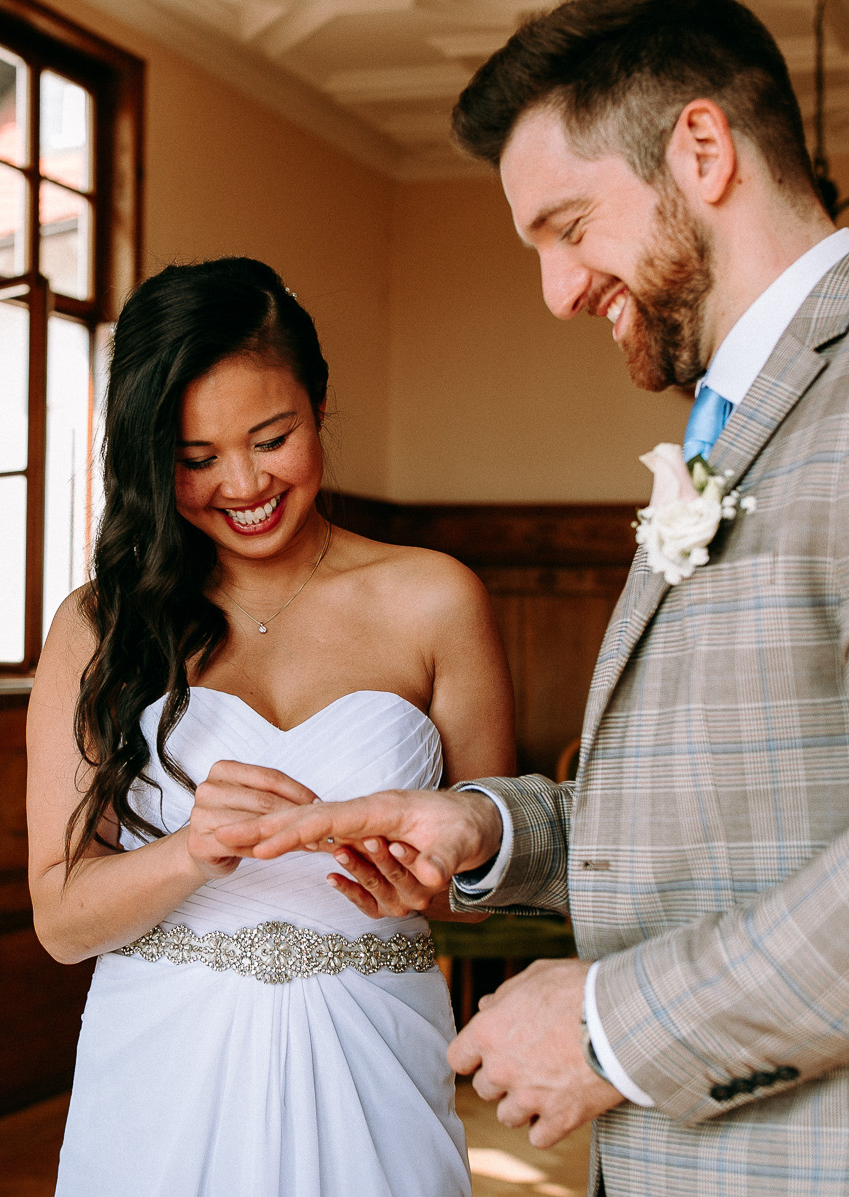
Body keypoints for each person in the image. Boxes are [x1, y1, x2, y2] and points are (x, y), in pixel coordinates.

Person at [222, 0, 849, 1196]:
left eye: (565, 228)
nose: (556, 291)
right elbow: (730, 818)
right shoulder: (740, 427)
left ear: (701, 148)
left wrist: (609, 1026)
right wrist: (488, 830)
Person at [27, 257, 515, 1197]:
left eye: (271, 437)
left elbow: (490, 885)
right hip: (163, 1066)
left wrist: (427, 880)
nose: (242, 483)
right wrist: (189, 853)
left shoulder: (435, 599)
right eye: (196, 458)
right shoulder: (101, 625)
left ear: (319, 404)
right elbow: (59, 918)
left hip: (374, 1048)